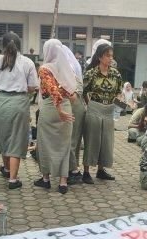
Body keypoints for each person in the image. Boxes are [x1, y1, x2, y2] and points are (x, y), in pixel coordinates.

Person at [0, 32, 39, 190]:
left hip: (1, 100)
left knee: (3, 137)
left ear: (2, 46)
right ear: (20, 45)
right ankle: (13, 179)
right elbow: (33, 86)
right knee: (16, 139)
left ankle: (7, 169)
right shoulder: (28, 62)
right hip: (19, 102)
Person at [35, 39, 76, 194]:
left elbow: (52, 90)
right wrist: (65, 105)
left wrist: (58, 110)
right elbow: (71, 92)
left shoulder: (44, 69)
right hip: (66, 107)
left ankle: (45, 179)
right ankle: (63, 182)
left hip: (50, 109)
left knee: (45, 144)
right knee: (64, 145)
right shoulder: (66, 67)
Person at [82, 43, 122, 184]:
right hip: (94, 107)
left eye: (111, 56)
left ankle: (101, 170)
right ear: (99, 57)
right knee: (92, 140)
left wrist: (119, 106)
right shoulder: (91, 73)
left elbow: (119, 92)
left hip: (109, 109)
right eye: (107, 56)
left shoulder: (115, 74)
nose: (110, 58)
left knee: (106, 141)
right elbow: (84, 92)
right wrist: (90, 105)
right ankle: (86, 172)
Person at [63, 45, 88, 183]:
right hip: (78, 104)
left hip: (72, 103)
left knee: (71, 138)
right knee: (75, 139)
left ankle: (72, 170)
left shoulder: (66, 69)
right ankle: (73, 168)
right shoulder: (75, 67)